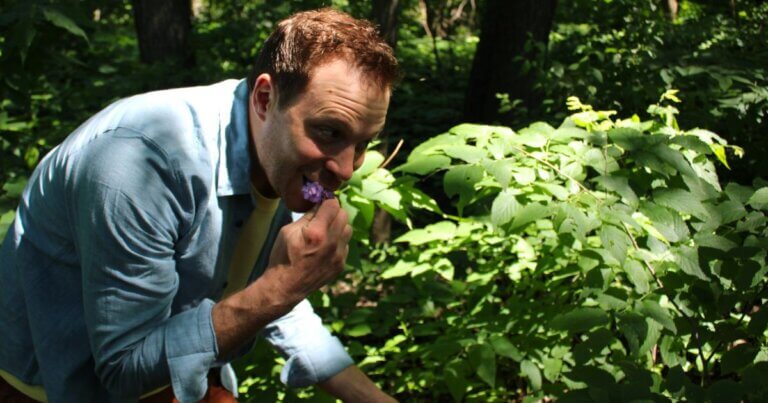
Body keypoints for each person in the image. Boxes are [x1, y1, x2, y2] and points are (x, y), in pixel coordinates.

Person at [0, 8, 399, 402]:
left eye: (363, 143)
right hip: (45, 385)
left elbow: (274, 297)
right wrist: (282, 286)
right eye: (330, 132)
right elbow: (124, 371)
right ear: (265, 98)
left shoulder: (285, 156)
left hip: (175, 372)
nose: (346, 170)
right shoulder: (144, 161)